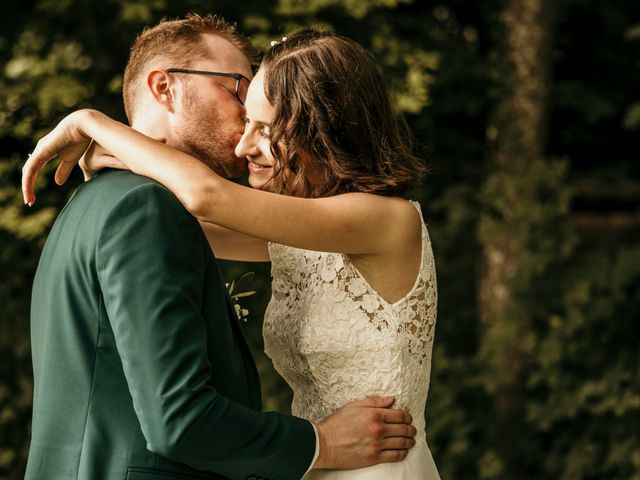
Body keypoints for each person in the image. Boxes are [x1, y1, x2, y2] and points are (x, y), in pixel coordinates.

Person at [20, 15, 418, 480]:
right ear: (164, 87)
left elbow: (207, 202)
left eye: (262, 122)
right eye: (236, 90)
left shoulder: (108, 205)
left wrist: (90, 123)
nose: (244, 135)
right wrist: (322, 442)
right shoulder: (144, 210)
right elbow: (179, 421)